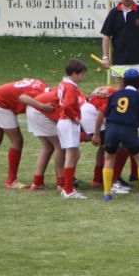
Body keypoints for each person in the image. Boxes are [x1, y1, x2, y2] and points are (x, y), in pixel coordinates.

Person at [99, 69, 139, 202]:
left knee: (108, 159)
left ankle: (107, 194)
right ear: (138, 83)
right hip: (128, 130)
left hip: (111, 129)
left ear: (124, 82)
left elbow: (105, 118)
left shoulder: (115, 95)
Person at [57, 59, 88, 199]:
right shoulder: (71, 87)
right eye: (82, 74)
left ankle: (67, 187)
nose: (83, 77)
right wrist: (75, 117)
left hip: (63, 121)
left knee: (74, 154)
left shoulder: (63, 83)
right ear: (74, 74)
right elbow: (68, 105)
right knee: (71, 155)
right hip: (68, 122)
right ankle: (68, 190)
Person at [25, 86, 64, 191]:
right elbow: (22, 97)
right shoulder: (78, 97)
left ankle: (37, 182)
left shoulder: (60, 88)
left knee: (47, 147)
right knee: (60, 146)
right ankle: (62, 183)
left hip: (33, 110)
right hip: (39, 112)